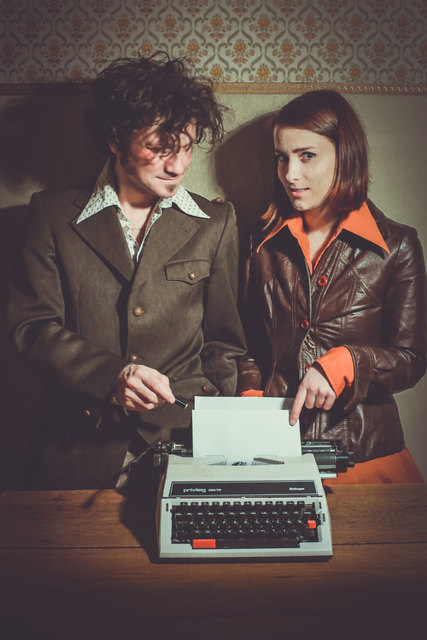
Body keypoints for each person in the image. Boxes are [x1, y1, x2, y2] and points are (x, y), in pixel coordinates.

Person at [7, 52, 246, 490]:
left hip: (185, 446)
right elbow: (32, 327)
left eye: (188, 146)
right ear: (115, 139)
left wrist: (208, 425)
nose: (177, 166)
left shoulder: (218, 222)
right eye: (159, 148)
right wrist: (111, 377)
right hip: (75, 448)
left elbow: (224, 343)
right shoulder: (51, 213)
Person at [238, 89, 427, 483]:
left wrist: (347, 363)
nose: (291, 174)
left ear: (345, 155)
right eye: (282, 158)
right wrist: (251, 400)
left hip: (365, 456)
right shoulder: (260, 242)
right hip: (272, 451)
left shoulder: (397, 246)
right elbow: (244, 344)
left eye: (307, 155)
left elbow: (412, 358)